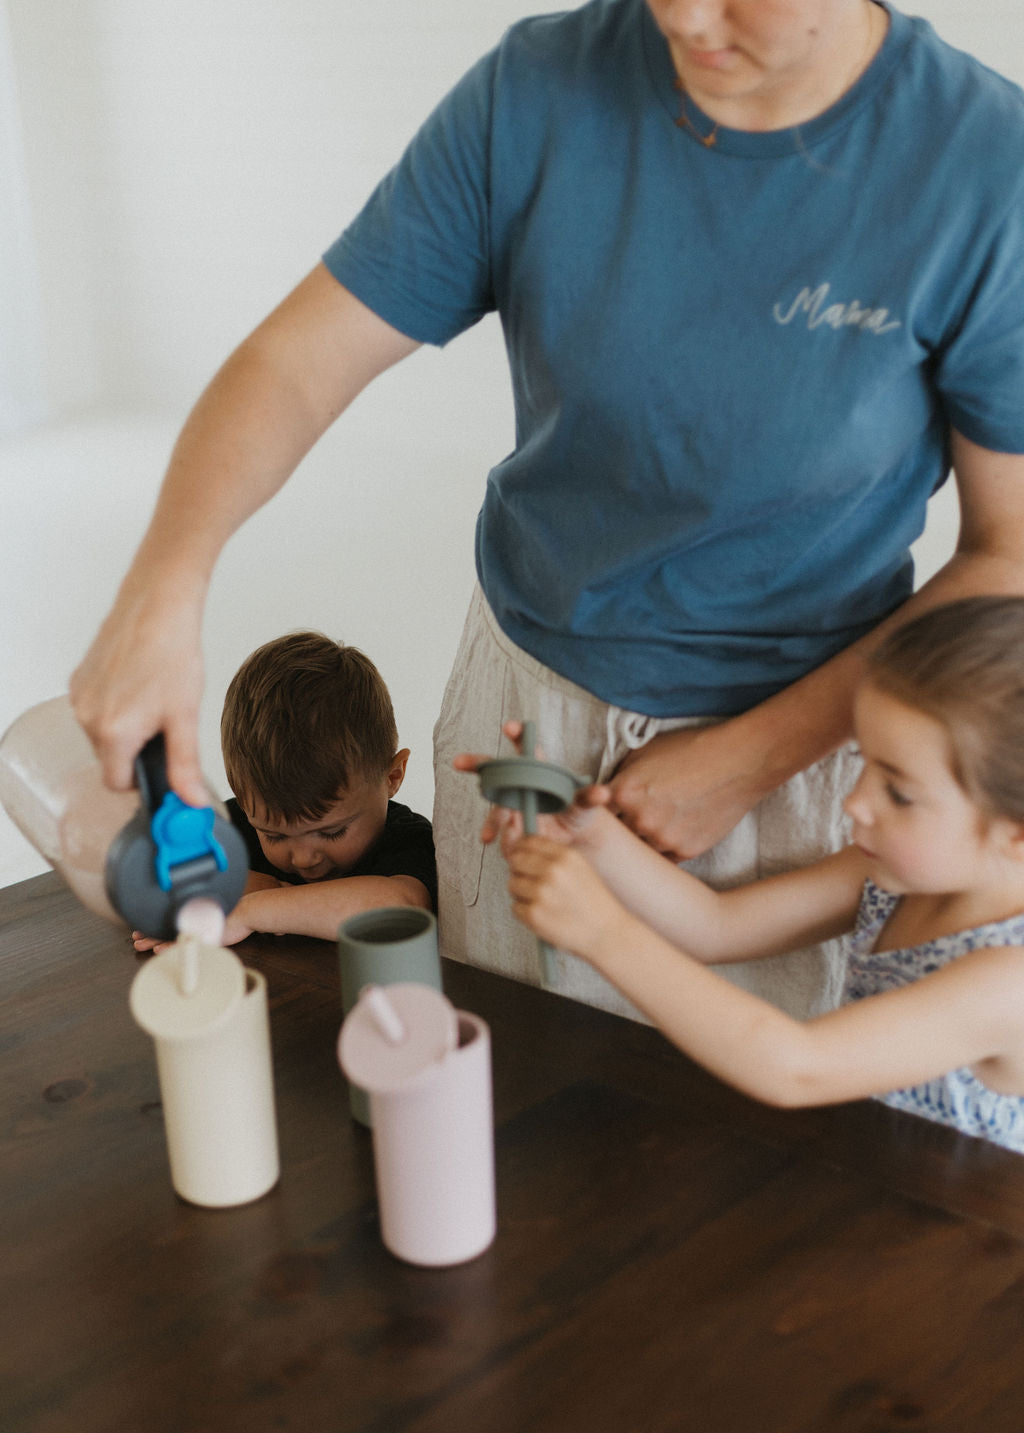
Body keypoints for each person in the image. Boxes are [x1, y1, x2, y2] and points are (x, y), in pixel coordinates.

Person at [71, 2, 1024, 1020]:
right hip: (528, 710)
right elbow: (297, 365)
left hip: (805, 742)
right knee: (518, 1099)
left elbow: (1004, 560)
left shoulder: (980, 171)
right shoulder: (537, 90)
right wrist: (165, 582)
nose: (689, 19)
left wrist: (753, 756)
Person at [489, 597, 1024, 1151]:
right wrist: (593, 833)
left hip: (964, 1221)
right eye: (864, 764)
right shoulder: (889, 873)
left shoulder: (1009, 982)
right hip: (876, 1177)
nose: (855, 802)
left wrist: (603, 934)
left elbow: (798, 1067)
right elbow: (716, 925)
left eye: (898, 792)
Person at [133, 631, 436, 950]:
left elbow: (402, 907)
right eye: (274, 836)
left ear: (392, 776)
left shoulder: (408, 841)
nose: (304, 858)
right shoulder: (237, 826)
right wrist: (253, 884)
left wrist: (251, 909)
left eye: (332, 832)